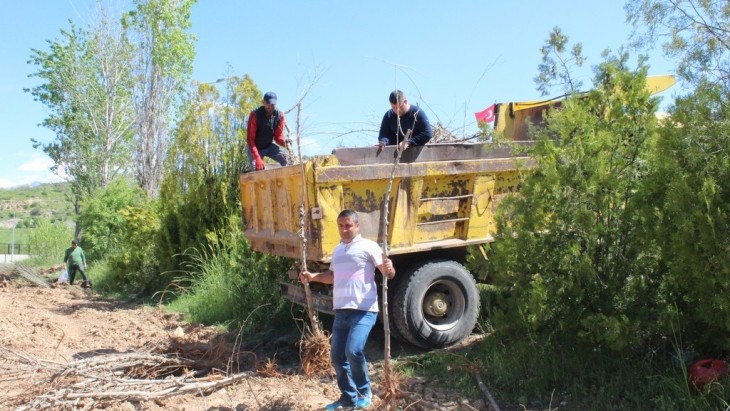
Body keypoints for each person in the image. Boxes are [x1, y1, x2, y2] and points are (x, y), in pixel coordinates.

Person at [299, 210, 395, 410]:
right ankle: (348, 398)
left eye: (348, 225)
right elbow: (333, 276)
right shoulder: (338, 250)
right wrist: (312, 276)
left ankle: (364, 392)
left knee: (354, 350)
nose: (344, 229)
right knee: (337, 357)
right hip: (341, 310)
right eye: (341, 225)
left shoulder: (369, 246)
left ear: (357, 226)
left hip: (364, 309)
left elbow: (388, 273)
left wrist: (390, 267)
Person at [247, 91, 290, 171]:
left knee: (287, 160)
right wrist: (257, 157)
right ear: (263, 102)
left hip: (269, 146)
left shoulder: (280, 116)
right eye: (268, 105)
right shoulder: (255, 115)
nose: (270, 108)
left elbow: (278, 136)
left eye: (272, 105)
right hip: (255, 147)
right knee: (257, 169)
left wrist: (285, 142)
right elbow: (250, 140)